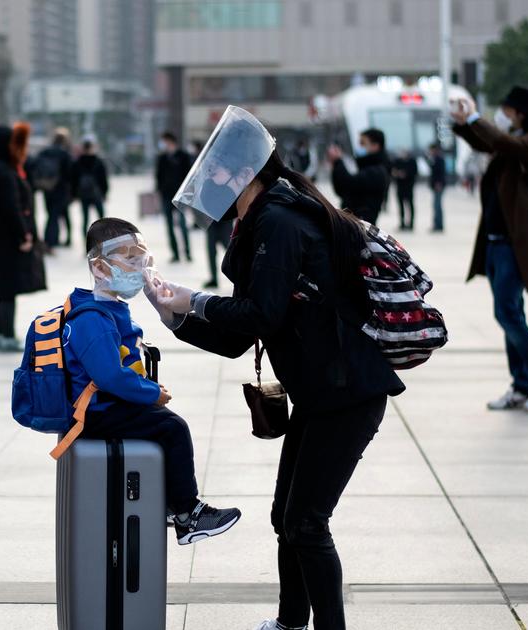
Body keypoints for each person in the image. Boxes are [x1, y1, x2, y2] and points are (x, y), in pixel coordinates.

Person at [145, 106, 405, 630]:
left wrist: (194, 299)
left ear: (244, 173)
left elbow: (261, 314)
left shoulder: (278, 222)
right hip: (323, 392)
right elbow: (240, 337)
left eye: (217, 170)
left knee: (306, 522)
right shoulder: (263, 220)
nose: (211, 180)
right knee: (286, 517)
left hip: (347, 394)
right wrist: (172, 315)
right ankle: (290, 623)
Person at [68, 218, 242, 544]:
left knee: (161, 427)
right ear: (100, 268)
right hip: (97, 414)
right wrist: (151, 394)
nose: (140, 268)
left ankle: (168, 501)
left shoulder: (108, 307)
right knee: (172, 428)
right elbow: (109, 376)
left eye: (143, 258)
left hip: (105, 407)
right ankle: (188, 514)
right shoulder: (92, 317)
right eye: (130, 259)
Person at [451, 86, 528, 412]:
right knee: (512, 312)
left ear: (521, 113)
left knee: (506, 313)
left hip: (516, 245)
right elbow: (489, 143)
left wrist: (474, 117)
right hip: (497, 243)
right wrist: (464, 124)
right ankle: (521, 386)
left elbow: (502, 142)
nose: (503, 115)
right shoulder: (512, 145)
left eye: (507, 110)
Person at [0, 123, 36, 352]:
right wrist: (23, 234)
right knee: (7, 289)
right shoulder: (4, 172)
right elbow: (11, 207)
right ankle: (6, 335)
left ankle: (3, 333)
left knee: (4, 289)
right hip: (8, 239)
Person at [329, 128, 390, 225]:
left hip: (361, 227)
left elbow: (349, 184)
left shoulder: (377, 171)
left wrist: (338, 162)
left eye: (362, 143)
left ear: (375, 146)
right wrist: (336, 165)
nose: (359, 146)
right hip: (352, 223)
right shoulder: (363, 166)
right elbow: (342, 191)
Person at [155, 132, 194, 263]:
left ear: (170, 141)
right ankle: (175, 254)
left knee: (182, 225)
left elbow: (190, 175)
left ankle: (187, 253)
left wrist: (189, 194)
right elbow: (158, 177)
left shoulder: (183, 156)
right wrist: (159, 191)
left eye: (164, 142)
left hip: (180, 196)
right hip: (166, 195)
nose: (163, 145)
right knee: (169, 226)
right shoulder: (162, 158)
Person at [33, 129, 75, 248]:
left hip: (47, 188)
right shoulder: (64, 154)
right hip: (61, 189)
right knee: (59, 215)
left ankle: (52, 239)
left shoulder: (44, 152)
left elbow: (36, 167)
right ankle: (53, 240)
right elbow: (70, 173)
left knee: (51, 214)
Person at [70, 140, 109, 245]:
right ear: (92, 148)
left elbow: (73, 180)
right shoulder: (98, 161)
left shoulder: (78, 162)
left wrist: (74, 194)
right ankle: (102, 242)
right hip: (96, 194)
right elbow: (103, 179)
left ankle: (86, 244)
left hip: (84, 195)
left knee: (85, 219)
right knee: (101, 220)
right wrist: (105, 193)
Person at [391, 149, 418, 231]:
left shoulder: (412, 161)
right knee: (401, 206)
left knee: (410, 205)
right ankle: (402, 223)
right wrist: (397, 174)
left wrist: (405, 174)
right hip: (400, 187)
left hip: (409, 187)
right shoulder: (397, 161)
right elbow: (393, 171)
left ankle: (411, 224)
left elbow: (415, 172)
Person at [426, 142, 448, 231]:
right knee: (436, 205)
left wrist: (438, 183)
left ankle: (438, 225)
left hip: (438, 185)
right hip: (436, 185)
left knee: (437, 205)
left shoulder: (439, 159)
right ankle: (437, 224)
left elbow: (440, 173)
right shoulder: (435, 158)